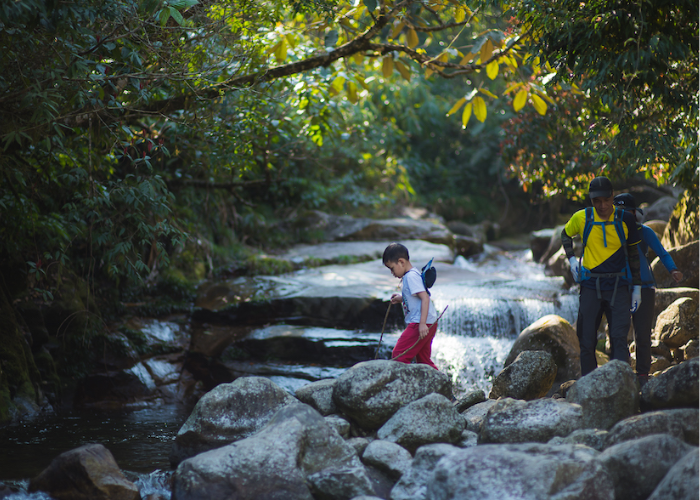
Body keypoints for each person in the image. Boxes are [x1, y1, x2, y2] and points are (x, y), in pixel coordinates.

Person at [561, 176, 643, 376]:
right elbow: (565, 234)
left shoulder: (626, 219)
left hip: (619, 286)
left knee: (618, 339)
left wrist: (637, 288)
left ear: (612, 196)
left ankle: (621, 384)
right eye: (597, 201)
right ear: (591, 200)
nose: (603, 205)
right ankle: (589, 387)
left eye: (606, 200)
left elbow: (633, 255)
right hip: (590, 286)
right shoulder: (582, 218)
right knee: (587, 340)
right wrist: (571, 259)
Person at [601, 193, 683, 385]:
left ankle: (643, 376)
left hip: (644, 288)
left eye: (625, 212)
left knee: (642, 334)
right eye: (617, 212)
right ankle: (621, 373)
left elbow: (662, 252)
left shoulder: (644, 232)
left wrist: (672, 269)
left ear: (634, 213)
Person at [382, 242, 439, 369]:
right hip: (430, 322)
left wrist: (422, 323)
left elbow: (425, 297)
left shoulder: (411, 277)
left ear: (401, 262)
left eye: (392, 268)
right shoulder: (411, 275)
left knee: (399, 355)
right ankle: (440, 384)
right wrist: (401, 298)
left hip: (420, 323)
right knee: (424, 361)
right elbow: (415, 296)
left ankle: (402, 386)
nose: (392, 273)